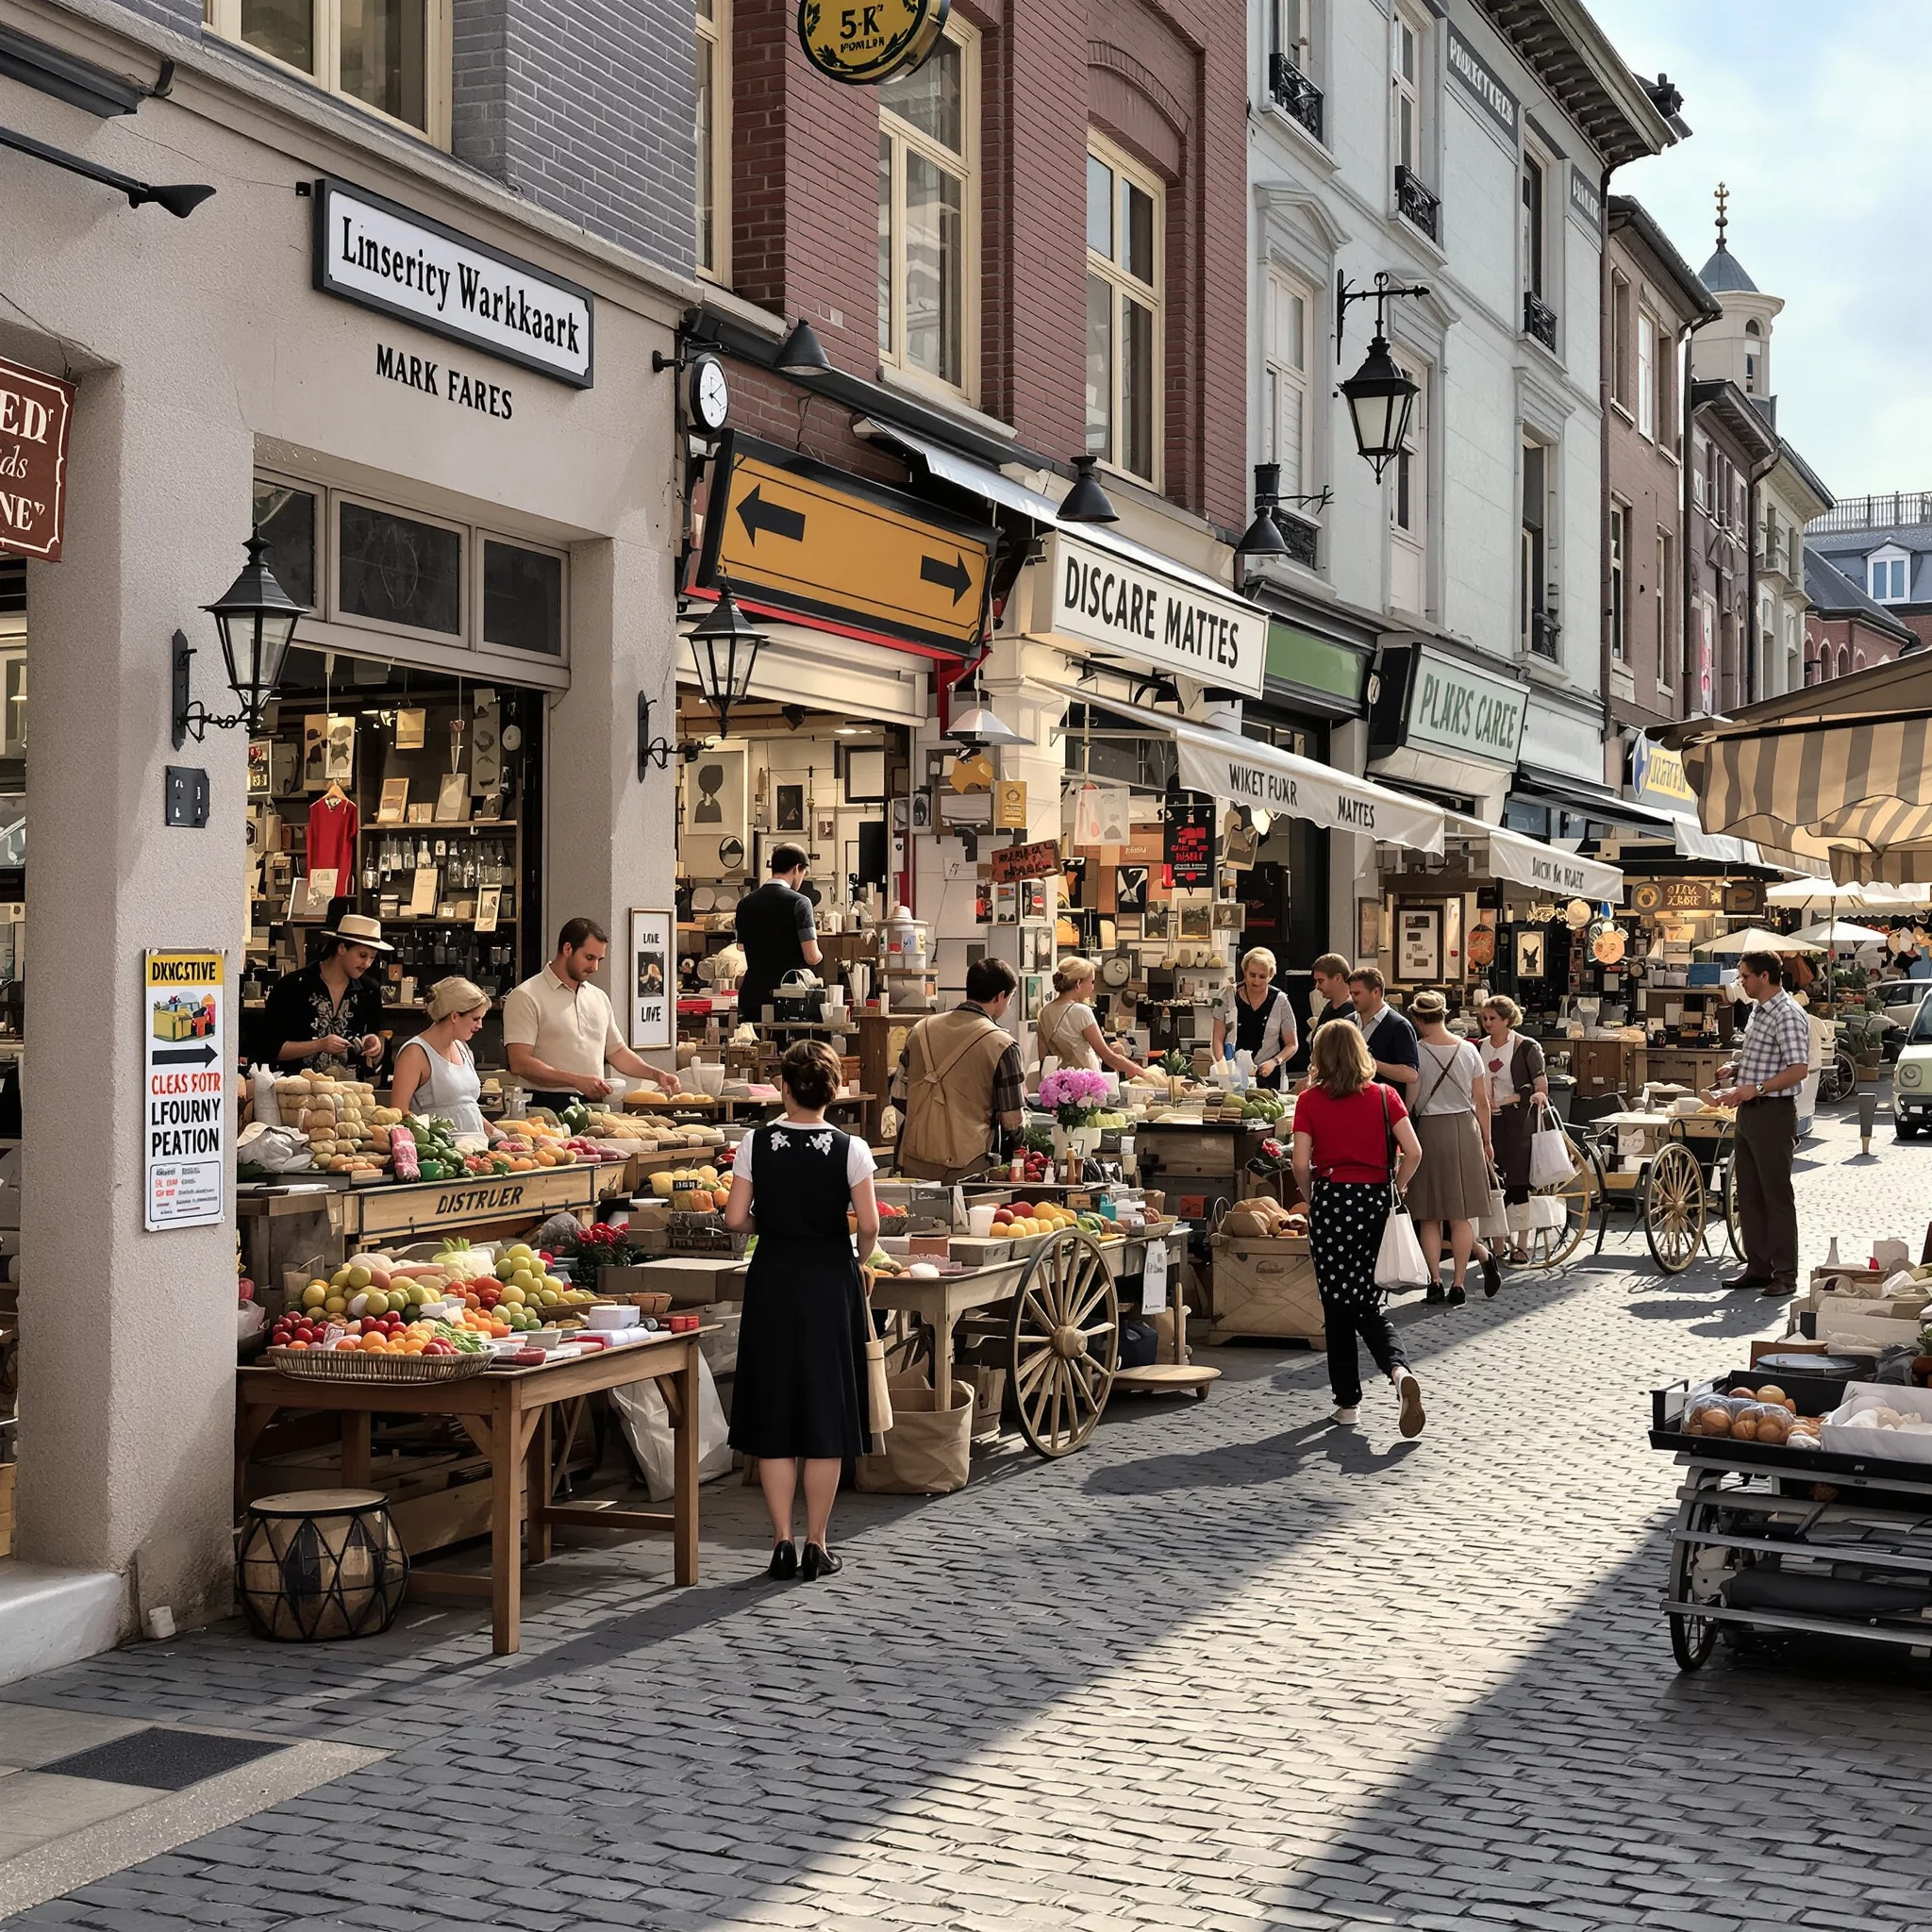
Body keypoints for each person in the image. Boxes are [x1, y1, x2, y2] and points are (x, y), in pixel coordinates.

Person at [724, 1040, 876, 1582]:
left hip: (773, 1278)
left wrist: (775, 1224)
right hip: (829, 1280)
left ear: (784, 1088)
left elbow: (735, 1219)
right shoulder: (850, 1148)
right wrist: (861, 1259)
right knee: (824, 1411)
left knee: (775, 1410)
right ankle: (818, 1542)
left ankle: (781, 1543)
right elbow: (870, 1224)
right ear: (833, 1093)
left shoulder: (754, 1143)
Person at [1291, 1018, 1426, 1436]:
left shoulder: (1310, 1100)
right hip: (1375, 1203)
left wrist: (1313, 1196)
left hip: (1332, 1199)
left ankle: (1347, 1403)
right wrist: (1396, 1187)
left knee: (1336, 1305)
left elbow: (1299, 1162)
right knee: (1368, 1303)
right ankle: (1399, 1372)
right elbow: (1415, 1151)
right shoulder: (1386, 1097)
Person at [503, 918, 681, 1112]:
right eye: (589, 958)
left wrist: (655, 1075)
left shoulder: (598, 997)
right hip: (543, 1107)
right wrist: (576, 1080)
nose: (595, 967)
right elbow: (520, 1063)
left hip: (595, 1106)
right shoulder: (526, 996)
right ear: (568, 949)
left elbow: (617, 1052)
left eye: (599, 960)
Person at [1711, 950, 1810, 1298]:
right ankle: (1757, 1266)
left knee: (1776, 1196)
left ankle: (1785, 1273)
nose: (1741, 981)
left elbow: (1799, 1068)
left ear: (1764, 977)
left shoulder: (1787, 1014)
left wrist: (1757, 1087)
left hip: (1773, 1112)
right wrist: (1737, 1070)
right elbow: (1765, 1060)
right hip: (1750, 1110)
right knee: (1749, 1193)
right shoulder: (1757, 1012)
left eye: (1745, 976)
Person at [890, 957, 1026, 1181]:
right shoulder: (1002, 1044)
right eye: (1010, 998)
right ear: (1001, 996)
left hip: (915, 1160)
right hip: (969, 1165)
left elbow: (898, 1096)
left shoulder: (920, 1029)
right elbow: (1011, 1120)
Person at [1407, 991, 1500, 1303]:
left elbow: (1412, 1100)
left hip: (1429, 1130)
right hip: (1465, 1129)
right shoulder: (1469, 1051)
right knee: (1460, 1216)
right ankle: (1459, 1283)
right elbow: (1483, 1102)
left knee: (1430, 1215)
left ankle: (1434, 1281)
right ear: (1445, 1015)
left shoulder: (1416, 1052)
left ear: (1419, 1019)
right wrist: (1487, 1140)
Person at [260, 911, 390, 1077]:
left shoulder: (369, 991)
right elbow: (269, 1049)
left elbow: (377, 1046)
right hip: (295, 1091)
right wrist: (319, 1045)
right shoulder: (292, 987)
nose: (367, 964)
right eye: (362, 955)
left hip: (351, 1093)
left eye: (372, 957)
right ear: (341, 948)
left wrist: (375, 1045)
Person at [1479, 994, 1548, 1263]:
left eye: (1492, 1018)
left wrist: (1516, 1098)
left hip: (1518, 1120)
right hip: (1488, 1119)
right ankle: (1498, 1244)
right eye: (1484, 1018)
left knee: (1519, 1182)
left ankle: (1521, 1243)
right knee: (1492, 1182)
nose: (1486, 1023)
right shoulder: (1478, 1047)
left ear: (1507, 1020)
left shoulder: (1525, 1047)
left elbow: (1539, 1084)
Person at [392, 977, 497, 1140]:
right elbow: (398, 1112)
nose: (480, 1025)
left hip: (476, 1152)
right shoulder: (415, 1053)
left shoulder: (462, 1048)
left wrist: (496, 1134)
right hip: (441, 1157)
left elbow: (466, 1107)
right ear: (455, 1016)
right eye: (476, 1019)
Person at [735, 844, 824, 1021]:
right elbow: (811, 957)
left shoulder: (745, 903)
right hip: (788, 998)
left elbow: (741, 947)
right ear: (797, 868)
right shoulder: (800, 903)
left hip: (752, 996)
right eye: (803, 873)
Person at [1033, 958, 1144, 1079]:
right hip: (1085, 1082)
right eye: (1091, 982)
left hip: (1059, 1082)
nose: (1092, 988)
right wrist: (1139, 1071)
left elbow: (1043, 1058)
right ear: (1078, 983)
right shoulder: (1081, 1011)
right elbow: (1109, 1058)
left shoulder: (1044, 1012)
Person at [1212, 947, 1299, 1089]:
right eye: (1252, 975)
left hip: (1269, 1077)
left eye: (1262, 976)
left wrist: (1274, 1062)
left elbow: (1292, 1044)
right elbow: (1217, 1038)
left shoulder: (1280, 1001)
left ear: (1270, 976)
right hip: (1234, 1074)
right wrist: (1222, 1066)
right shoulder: (1227, 996)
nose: (1256, 981)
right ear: (1244, 971)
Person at [1348, 967, 1420, 1095]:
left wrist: (1372, 1064)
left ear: (1375, 991)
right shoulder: (1347, 1023)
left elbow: (1411, 1074)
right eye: (1351, 993)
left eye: (1357, 993)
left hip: (1384, 1105)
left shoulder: (1399, 1026)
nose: (1353, 998)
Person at [1310, 952, 1355, 1026]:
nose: (1317, 987)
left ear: (1337, 978)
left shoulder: (1355, 1010)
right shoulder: (1327, 1010)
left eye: (1320, 981)